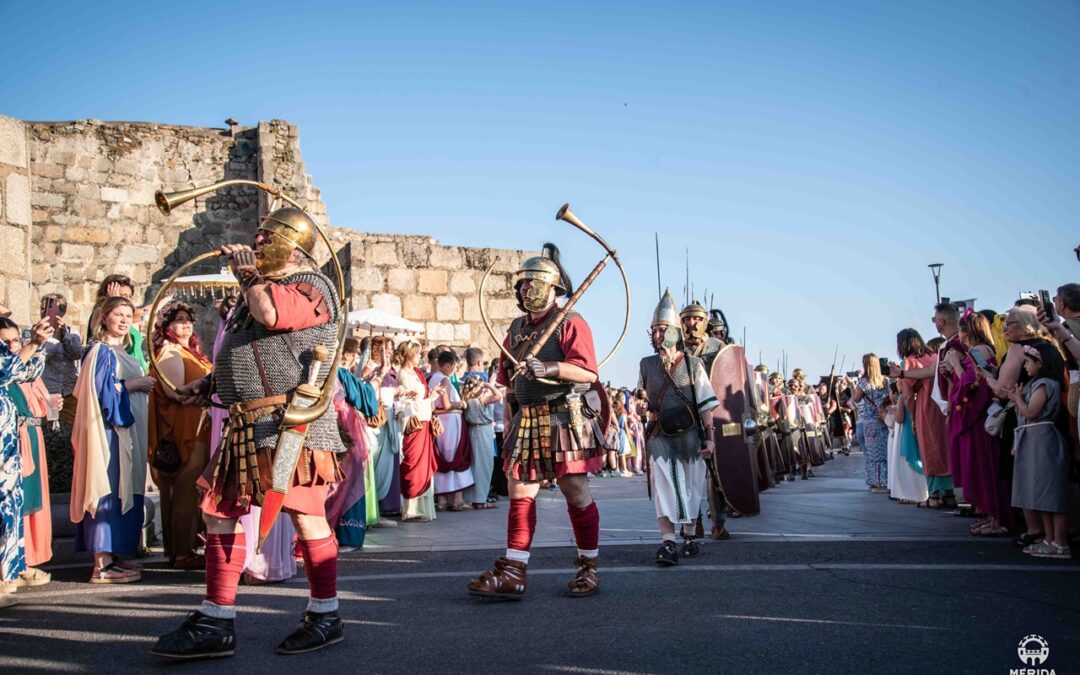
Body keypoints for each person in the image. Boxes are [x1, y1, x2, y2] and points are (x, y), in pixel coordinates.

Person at [152, 206, 347, 659]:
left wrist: (248, 277)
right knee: (217, 512)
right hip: (245, 422)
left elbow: (274, 314)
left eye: (264, 239)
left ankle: (326, 613)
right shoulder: (255, 290)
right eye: (255, 239)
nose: (256, 245)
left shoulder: (312, 286)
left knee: (306, 516)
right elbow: (246, 352)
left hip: (290, 425)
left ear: (293, 246)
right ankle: (216, 619)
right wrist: (209, 385)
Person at [468, 243, 606, 600]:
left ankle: (588, 566)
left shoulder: (571, 323)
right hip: (527, 420)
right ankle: (514, 569)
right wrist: (512, 416)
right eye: (521, 285)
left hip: (565, 417)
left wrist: (551, 368)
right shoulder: (515, 329)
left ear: (550, 286)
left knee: (575, 491)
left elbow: (588, 373)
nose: (524, 290)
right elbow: (509, 384)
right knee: (519, 491)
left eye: (531, 284)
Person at [71, 297, 153, 584]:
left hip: (128, 433)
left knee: (124, 492)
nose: (124, 319)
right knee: (108, 490)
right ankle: (102, 564)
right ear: (103, 317)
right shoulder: (100, 352)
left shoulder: (122, 351)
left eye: (128, 315)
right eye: (118, 314)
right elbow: (101, 393)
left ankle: (116, 556)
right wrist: (136, 385)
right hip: (111, 434)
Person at [638, 290, 717, 566]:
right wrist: (641, 408)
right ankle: (668, 542)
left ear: (674, 331)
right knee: (664, 488)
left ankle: (689, 537)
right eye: (653, 330)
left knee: (692, 488)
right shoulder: (646, 365)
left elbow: (706, 406)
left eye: (661, 330)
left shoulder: (694, 365)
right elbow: (643, 398)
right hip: (660, 435)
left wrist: (710, 439)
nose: (657, 335)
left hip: (690, 434)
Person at [148, 302, 212, 569]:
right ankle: (182, 552)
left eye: (188, 320)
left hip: (198, 427)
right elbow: (176, 392)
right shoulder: (171, 353)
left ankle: (190, 546)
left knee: (193, 490)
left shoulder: (190, 353)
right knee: (186, 490)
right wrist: (207, 394)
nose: (186, 324)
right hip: (185, 431)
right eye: (179, 320)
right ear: (167, 327)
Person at [943, 312, 1011, 535]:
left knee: (984, 467)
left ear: (967, 331)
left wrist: (955, 364)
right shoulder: (981, 350)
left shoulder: (978, 351)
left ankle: (997, 518)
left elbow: (973, 384)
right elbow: (962, 384)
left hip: (977, 419)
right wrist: (952, 374)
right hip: (975, 417)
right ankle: (988, 515)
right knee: (979, 467)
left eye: (962, 331)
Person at [0, 316, 51, 604]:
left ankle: (7, 574)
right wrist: (31, 344)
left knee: (10, 506)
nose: (9, 346)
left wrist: (39, 344)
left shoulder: (12, 355)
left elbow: (29, 371)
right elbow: (6, 370)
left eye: (13, 340)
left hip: (8, 444)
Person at [1008, 343, 1071, 559]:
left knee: (1052, 493)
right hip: (1035, 438)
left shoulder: (1044, 384)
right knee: (1043, 493)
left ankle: (1060, 542)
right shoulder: (1038, 383)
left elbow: (1032, 412)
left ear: (1040, 363)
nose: (1025, 367)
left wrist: (1017, 399)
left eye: (1027, 362)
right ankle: (1049, 539)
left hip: (1044, 439)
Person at [394, 339, 446, 522]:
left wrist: (432, 396)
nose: (420, 357)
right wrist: (430, 398)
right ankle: (410, 509)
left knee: (422, 465)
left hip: (423, 422)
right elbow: (408, 402)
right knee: (412, 463)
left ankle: (422, 506)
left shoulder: (416, 373)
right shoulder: (404, 374)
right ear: (409, 355)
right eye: (417, 354)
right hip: (414, 422)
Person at [431, 351, 474, 510]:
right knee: (454, 456)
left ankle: (442, 499)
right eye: (455, 366)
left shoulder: (432, 378)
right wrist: (461, 404)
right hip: (449, 423)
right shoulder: (444, 379)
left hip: (442, 421)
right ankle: (456, 498)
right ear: (447, 366)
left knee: (443, 456)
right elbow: (447, 404)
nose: (456, 369)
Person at [87, 275, 148, 373]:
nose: (127, 300)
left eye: (130, 296)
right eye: (123, 295)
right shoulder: (100, 312)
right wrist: (113, 301)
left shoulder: (129, 316)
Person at [37, 293, 82, 427]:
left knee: (73, 430)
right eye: (44, 308)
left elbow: (76, 353)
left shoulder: (72, 332)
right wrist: (52, 337)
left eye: (58, 308)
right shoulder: (35, 332)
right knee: (51, 430)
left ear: (64, 311)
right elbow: (40, 358)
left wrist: (64, 334)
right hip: (49, 392)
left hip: (70, 392)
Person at [460, 375, 503, 509]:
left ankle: (471, 497)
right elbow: (499, 395)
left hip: (472, 432)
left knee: (474, 465)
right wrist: (488, 385)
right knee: (484, 465)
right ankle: (480, 499)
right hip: (483, 432)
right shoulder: (481, 399)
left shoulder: (466, 400)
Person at [852, 354, 889, 492]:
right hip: (883, 418)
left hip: (870, 421)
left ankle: (877, 482)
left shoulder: (864, 382)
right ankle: (886, 480)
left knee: (872, 453)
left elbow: (856, 398)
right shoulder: (885, 381)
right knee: (884, 452)